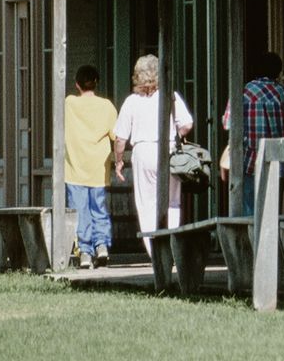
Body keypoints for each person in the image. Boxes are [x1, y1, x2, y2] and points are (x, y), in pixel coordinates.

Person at [112, 53, 194, 254]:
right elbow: (187, 124)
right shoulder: (170, 96)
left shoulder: (132, 102)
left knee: (147, 203)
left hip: (143, 150)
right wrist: (176, 135)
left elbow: (120, 138)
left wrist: (118, 161)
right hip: (168, 148)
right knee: (172, 202)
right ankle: (172, 249)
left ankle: (155, 253)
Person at [220, 51, 284, 215]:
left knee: (250, 212)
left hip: (248, 160)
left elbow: (227, 124)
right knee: (273, 212)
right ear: (278, 72)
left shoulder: (243, 92)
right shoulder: (282, 92)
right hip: (278, 158)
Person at [62, 64, 118, 269]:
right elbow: (116, 135)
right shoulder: (107, 106)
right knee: (99, 209)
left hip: (75, 168)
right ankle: (102, 245)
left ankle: (85, 252)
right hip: (98, 167)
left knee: (79, 211)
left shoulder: (69, 104)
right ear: (96, 83)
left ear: (77, 84)